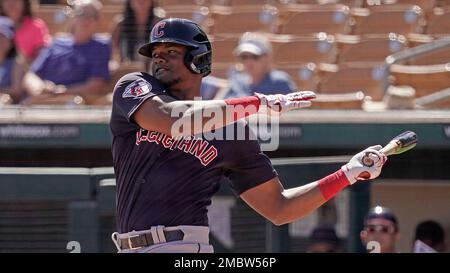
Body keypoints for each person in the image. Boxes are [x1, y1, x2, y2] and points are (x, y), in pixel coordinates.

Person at [109, 18, 387, 253]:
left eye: (170, 51)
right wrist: (257, 104)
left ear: (198, 60)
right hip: (126, 246)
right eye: (155, 53)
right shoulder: (135, 87)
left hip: (181, 247)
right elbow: (172, 119)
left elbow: (280, 208)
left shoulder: (231, 131)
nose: (159, 59)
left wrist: (347, 174)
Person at [22, 0, 110, 103]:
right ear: (73, 17)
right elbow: (31, 76)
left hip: (74, 103)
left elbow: (95, 85)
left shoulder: (101, 46)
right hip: (43, 98)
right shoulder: (56, 42)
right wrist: (40, 88)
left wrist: (63, 91)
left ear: (98, 21)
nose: (86, 20)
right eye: (82, 14)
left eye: (92, 16)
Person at [224, 32, 297, 98]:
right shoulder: (236, 82)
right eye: (244, 57)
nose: (249, 62)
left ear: (267, 57)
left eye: (255, 57)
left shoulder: (280, 82)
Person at [0, 16, 26, 104]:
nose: (1, 40)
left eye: (3, 37)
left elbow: (16, 90)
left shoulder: (17, 61)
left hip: (11, 108)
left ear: (11, 41)